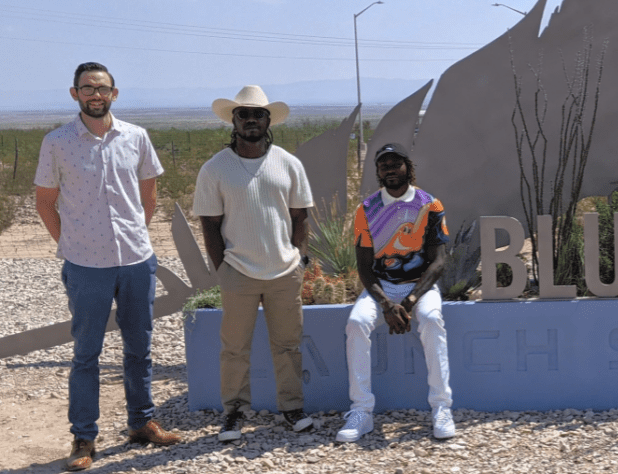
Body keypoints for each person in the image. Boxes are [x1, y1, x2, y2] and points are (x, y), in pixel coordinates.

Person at [35, 62, 182, 471]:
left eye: (101, 88)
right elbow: (45, 201)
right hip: (86, 265)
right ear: (74, 93)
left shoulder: (136, 137)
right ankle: (83, 438)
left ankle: (142, 423)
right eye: (86, 88)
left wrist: (136, 234)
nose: (94, 94)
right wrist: (69, 243)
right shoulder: (57, 142)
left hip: (136, 260)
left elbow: (148, 194)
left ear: (114, 93)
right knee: (86, 354)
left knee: (140, 348)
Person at [193, 85, 315, 443]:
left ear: (268, 120)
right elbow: (210, 225)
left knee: (288, 345)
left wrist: (299, 259)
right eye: (243, 114)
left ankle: (292, 409)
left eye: (257, 114)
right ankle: (234, 413)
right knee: (234, 348)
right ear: (233, 121)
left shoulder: (289, 164)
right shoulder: (215, 168)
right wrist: (224, 269)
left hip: (284, 271)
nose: (250, 120)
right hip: (239, 273)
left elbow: (300, 216)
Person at [336, 143, 456, 442]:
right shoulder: (367, 210)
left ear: (408, 167)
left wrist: (412, 299)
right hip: (383, 288)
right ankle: (361, 410)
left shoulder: (431, 205)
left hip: (421, 286)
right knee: (356, 324)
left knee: (430, 319)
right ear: (378, 171)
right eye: (383, 164)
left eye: (395, 163)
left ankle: (441, 407)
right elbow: (364, 268)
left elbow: (439, 261)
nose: (389, 168)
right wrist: (388, 304)